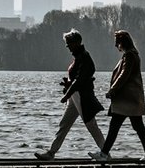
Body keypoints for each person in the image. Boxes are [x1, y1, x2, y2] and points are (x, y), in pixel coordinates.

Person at [34, 30, 107, 160]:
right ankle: (51, 153)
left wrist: (66, 95)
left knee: (91, 126)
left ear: (77, 43)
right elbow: (77, 79)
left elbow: (80, 80)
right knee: (64, 124)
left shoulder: (84, 57)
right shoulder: (79, 57)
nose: (67, 46)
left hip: (82, 97)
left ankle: (105, 153)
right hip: (76, 96)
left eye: (69, 43)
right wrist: (68, 84)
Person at [90, 29, 145, 162]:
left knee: (117, 127)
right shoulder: (133, 54)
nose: (115, 45)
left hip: (126, 99)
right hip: (131, 100)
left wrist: (112, 90)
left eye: (117, 42)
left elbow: (123, 75)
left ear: (122, 42)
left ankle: (104, 154)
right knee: (135, 127)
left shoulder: (129, 56)